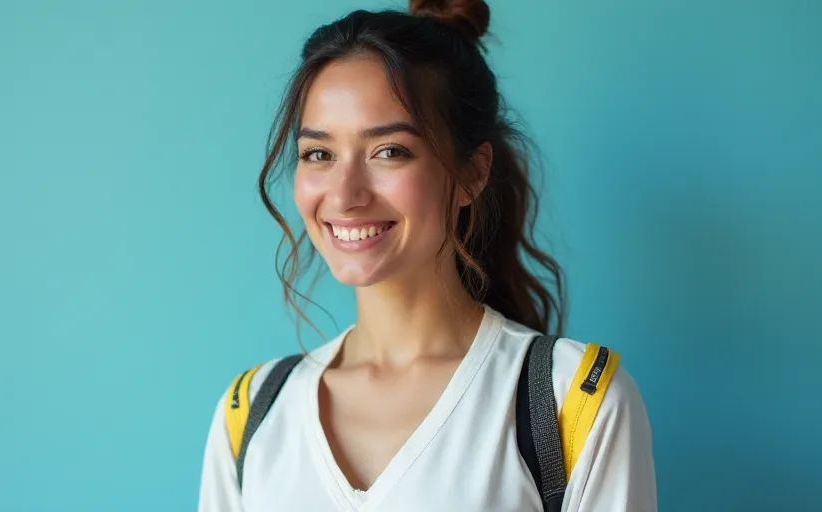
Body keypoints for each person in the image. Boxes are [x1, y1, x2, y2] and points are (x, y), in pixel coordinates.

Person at [198, 0, 657, 510]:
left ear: (472, 173)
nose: (346, 195)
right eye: (319, 154)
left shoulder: (575, 398)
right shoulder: (251, 413)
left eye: (389, 151)